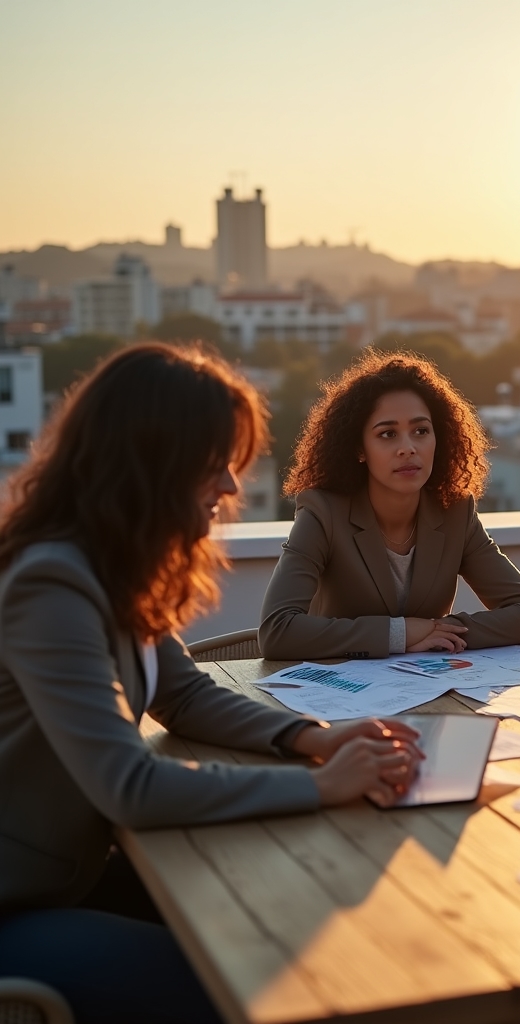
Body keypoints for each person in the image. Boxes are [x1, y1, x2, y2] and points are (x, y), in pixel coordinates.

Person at [0, 344, 423, 1024]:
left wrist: (315, 738)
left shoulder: (111, 564)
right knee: (250, 980)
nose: (230, 486)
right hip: (19, 903)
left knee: (280, 918)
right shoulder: (52, 582)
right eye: (214, 460)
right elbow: (130, 788)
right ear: (149, 458)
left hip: (69, 874)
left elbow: (184, 694)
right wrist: (321, 785)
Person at [259, 350, 520, 660]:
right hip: (339, 697)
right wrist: (402, 633)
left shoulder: (454, 512)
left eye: (421, 431)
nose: (408, 448)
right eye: (387, 434)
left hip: (429, 694)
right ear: (359, 448)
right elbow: (278, 631)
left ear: (440, 438)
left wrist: (440, 631)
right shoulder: (323, 512)